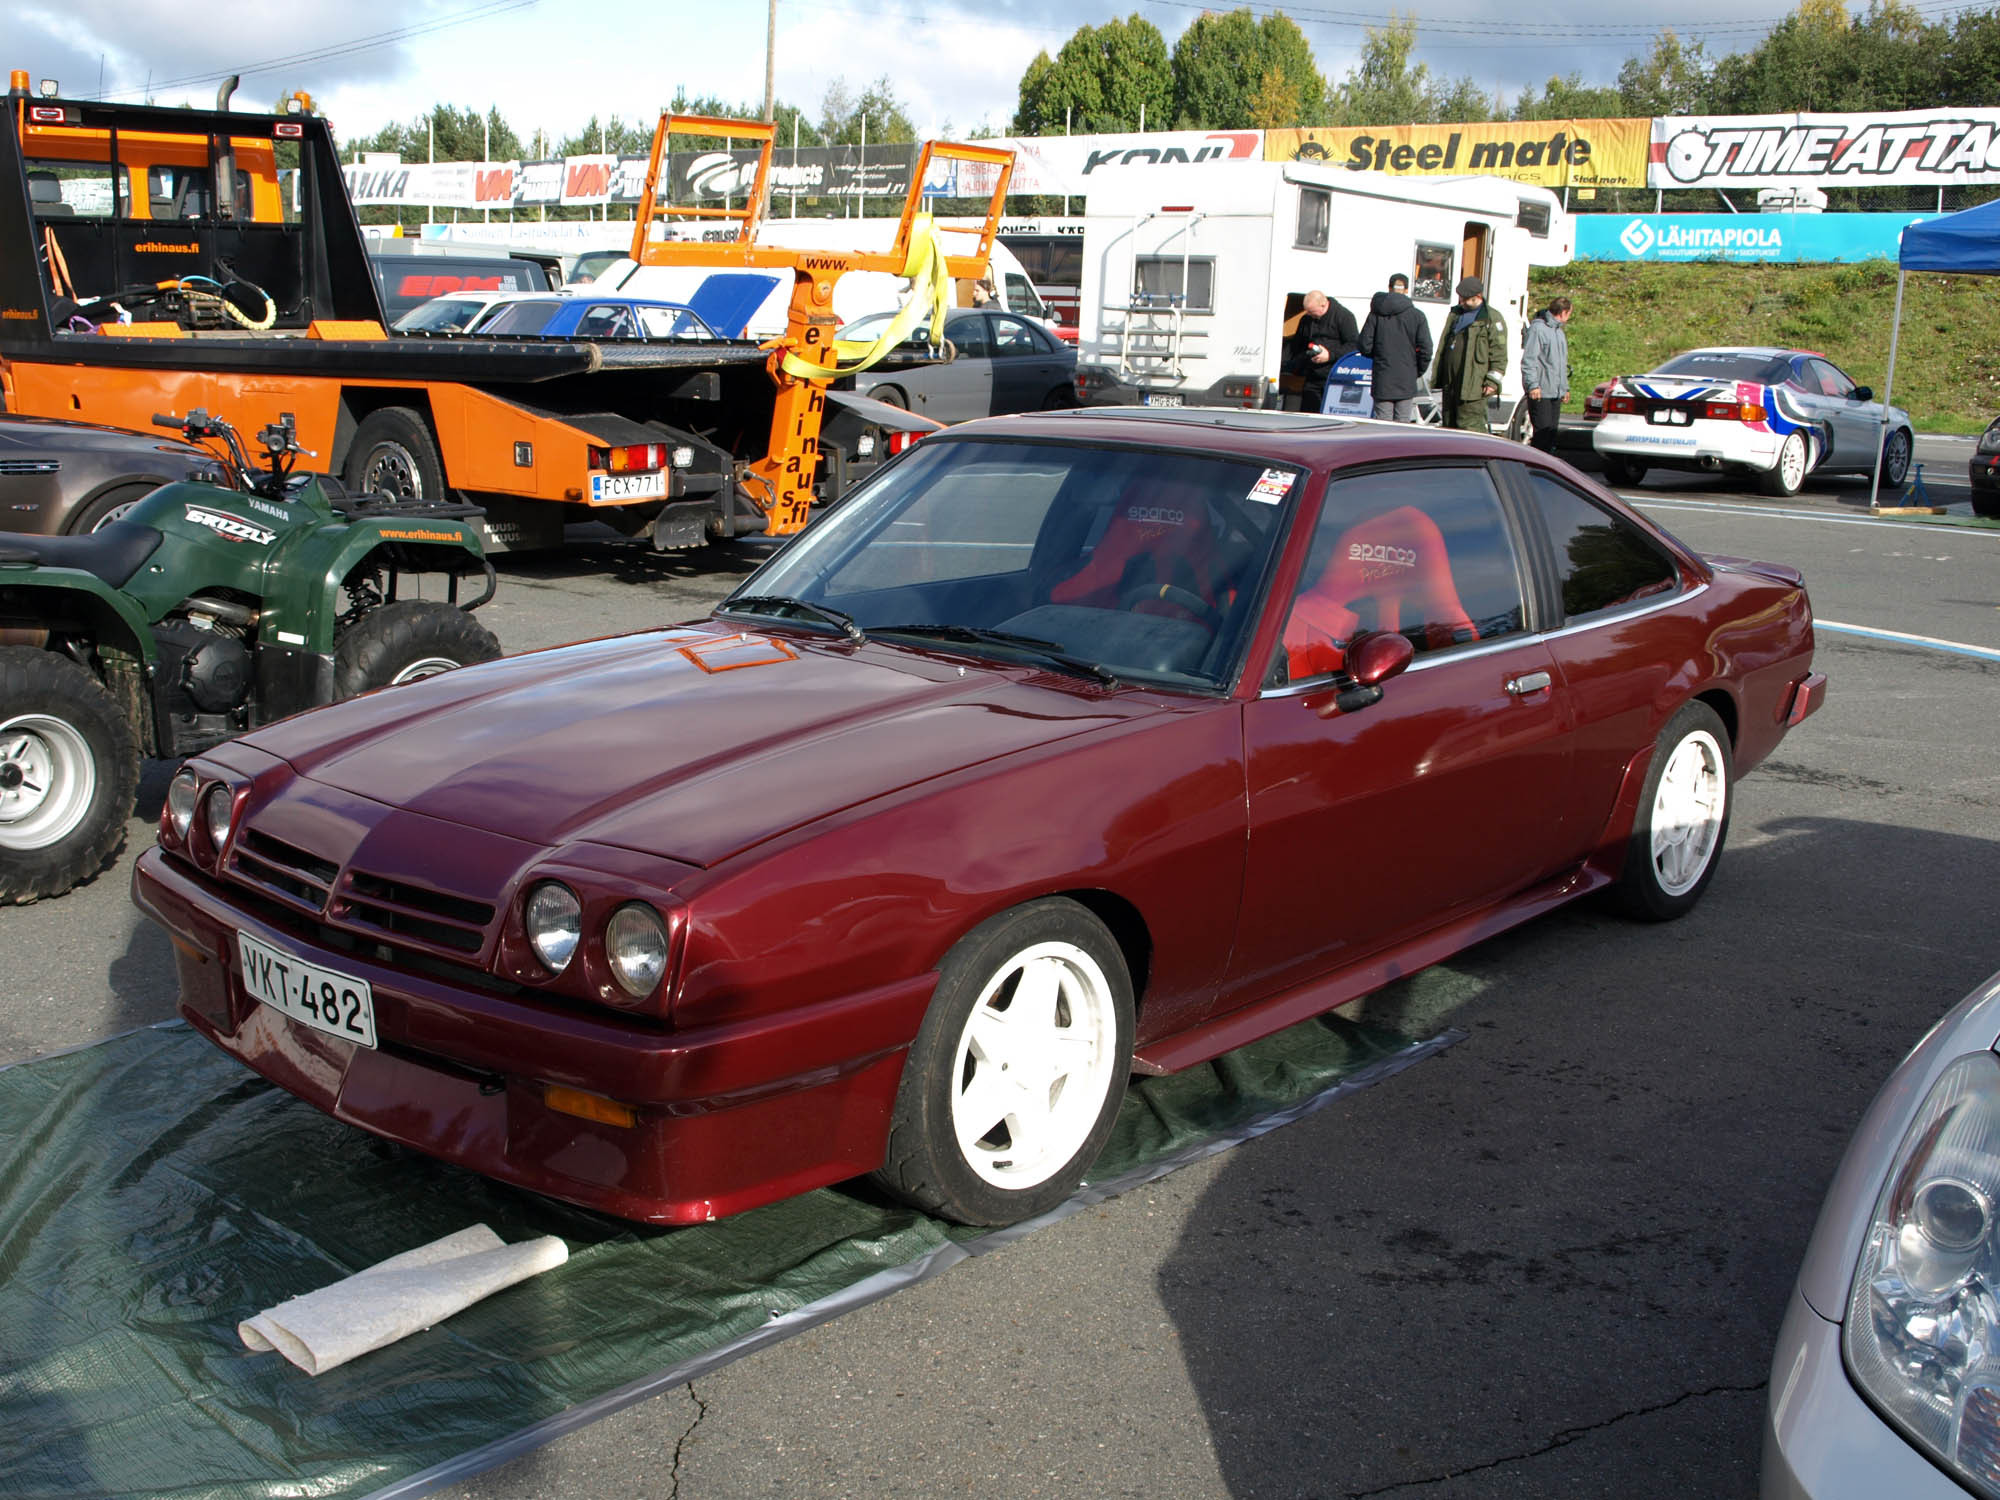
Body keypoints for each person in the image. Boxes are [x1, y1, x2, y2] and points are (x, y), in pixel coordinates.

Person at [1431, 276, 1507, 433]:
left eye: (1466, 300)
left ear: (1478, 297)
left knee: (1470, 429)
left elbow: (1500, 355)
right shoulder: (1456, 315)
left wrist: (1492, 382)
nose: (1462, 303)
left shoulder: (1491, 319)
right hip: (1451, 384)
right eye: (1461, 299)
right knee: (1448, 428)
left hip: (1473, 388)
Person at [1357, 272, 1433, 423]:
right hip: (1406, 377)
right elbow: (1426, 349)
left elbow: (1364, 345)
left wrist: (1380, 356)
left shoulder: (1376, 314)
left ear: (1389, 288)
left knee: (1382, 426)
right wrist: (1416, 370)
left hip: (1383, 377)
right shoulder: (1417, 316)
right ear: (1406, 290)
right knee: (1403, 426)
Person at [1287, 289, 1358, 413]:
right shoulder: (1306, 319)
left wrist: (1330, 355)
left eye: (1313, 312)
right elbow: (1297, 345)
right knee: (1308, 415)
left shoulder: (1344, 316)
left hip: (1334, 376)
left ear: (1324, 305)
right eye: (1308, 312)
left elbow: (1354, 345)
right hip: (1312, 375)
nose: (1310, 315)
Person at [1521, 295, 1572, 454]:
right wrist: (1533, 385)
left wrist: (1564, 388)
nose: (1569, 317)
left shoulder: (1559, 333)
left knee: (1551, 435)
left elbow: (1561, 364)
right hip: (1541, 392)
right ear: (1563, 312)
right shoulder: (1538, 329)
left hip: (1555, 392)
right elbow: (1529, 360)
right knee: (1541, 436)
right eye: (1569, 313)